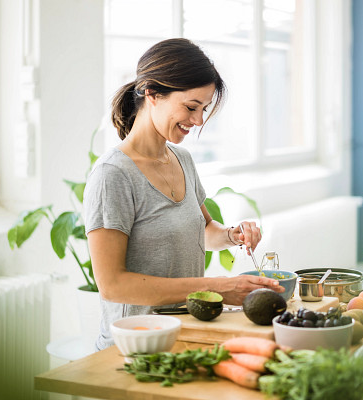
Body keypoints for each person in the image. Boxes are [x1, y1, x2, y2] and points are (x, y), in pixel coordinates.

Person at [84, 38, 283, 350]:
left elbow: (203, 231)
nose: (198, 120)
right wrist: (218, 287)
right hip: (135, 347)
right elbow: (113, 285)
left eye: (203, 109)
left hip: (185, 335)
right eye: (191, 107)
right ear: (152, 93)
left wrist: (233, 234)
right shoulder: (113, 175)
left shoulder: (183, 159)